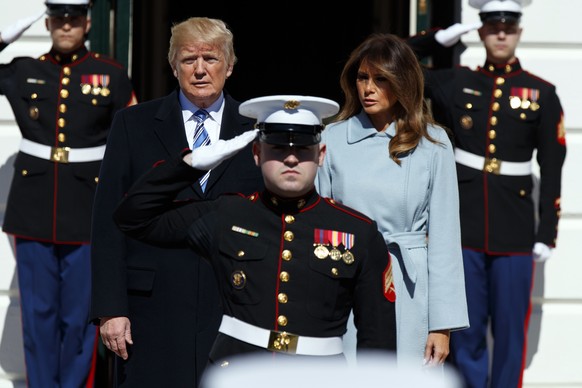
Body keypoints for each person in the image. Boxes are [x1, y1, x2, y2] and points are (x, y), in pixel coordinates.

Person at [112, 95, 397, 377]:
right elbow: (133, 218)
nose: (290, 158)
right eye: (276, 149)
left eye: (302, 149)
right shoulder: (227, 214)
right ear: (257, 154)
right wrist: (190, 163)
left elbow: (379, 342)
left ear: (321, 155)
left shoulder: (357, 231)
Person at [89, 17, 264, 387]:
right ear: (173, 66)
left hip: (234, 305)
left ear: (229, 66)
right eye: (188, 59)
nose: (200, 69)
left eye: (211, 59)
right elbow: (108, 221)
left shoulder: (256, 131)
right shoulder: (132, 125)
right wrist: (110, 309)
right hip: (152, 307)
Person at [406, 0, 567, 387]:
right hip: (463, 227)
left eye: (508, 27)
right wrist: (436, 39)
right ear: (480, 31)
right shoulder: (455, 81)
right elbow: (393, 61)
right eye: (493, 26)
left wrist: (546, 232)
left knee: (511, 333)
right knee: (466, 332)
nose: (500, 33)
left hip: (514, 230)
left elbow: (552, 164)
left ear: (519, 32)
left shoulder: (542, 93)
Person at [0, 0, 136, 386]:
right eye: (57, 19)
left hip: (87, 209)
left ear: (87, 23)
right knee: (38, 315)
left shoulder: (110, 74)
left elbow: (131, 140)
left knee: (79, 316)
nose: (65, 25)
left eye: (72, 19)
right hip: (33, 207)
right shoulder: (24, 70)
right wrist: (8, 35)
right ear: (47, 23)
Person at [315, 33, 469, 368]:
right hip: (347, 283)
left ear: (402, 82)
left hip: (410, 290)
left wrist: (442, 325)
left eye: (380, 79)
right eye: (362, 78)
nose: (368, 88)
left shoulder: (435, 144)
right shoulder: (331, 139)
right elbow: (318, 226)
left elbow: (445, 239)